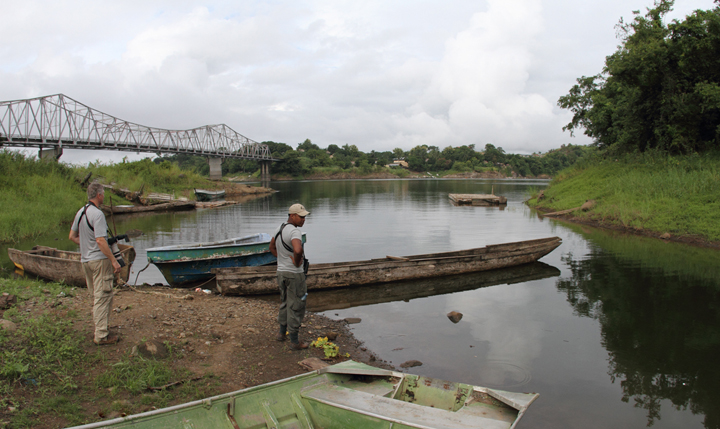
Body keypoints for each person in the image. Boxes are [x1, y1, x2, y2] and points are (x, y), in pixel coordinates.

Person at [69, 183, 122, 345]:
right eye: (103, 193)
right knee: (103, 296)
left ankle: (102, 328)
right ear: (99, 195)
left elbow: (72, 236)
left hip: (86, 261)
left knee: (97, 296)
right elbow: (100, 240)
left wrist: (87, 245)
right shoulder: (97, 215)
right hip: (99, 261)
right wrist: (114, 260)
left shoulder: (80, 212)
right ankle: (101, 335)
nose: (104, 196)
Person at [270, 203, 310, 350]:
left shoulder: (279, 229)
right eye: (301, 217)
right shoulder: (294, 232)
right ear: (292, 216)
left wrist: (282, 259)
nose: (303, 220)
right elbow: (298, 249)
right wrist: (297, 261)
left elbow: (271, 247)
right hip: (294, 275)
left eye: (304, 217)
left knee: (285, 302)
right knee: (297, 305)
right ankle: (294, 341)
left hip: (281, 272)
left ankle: (281, 333)